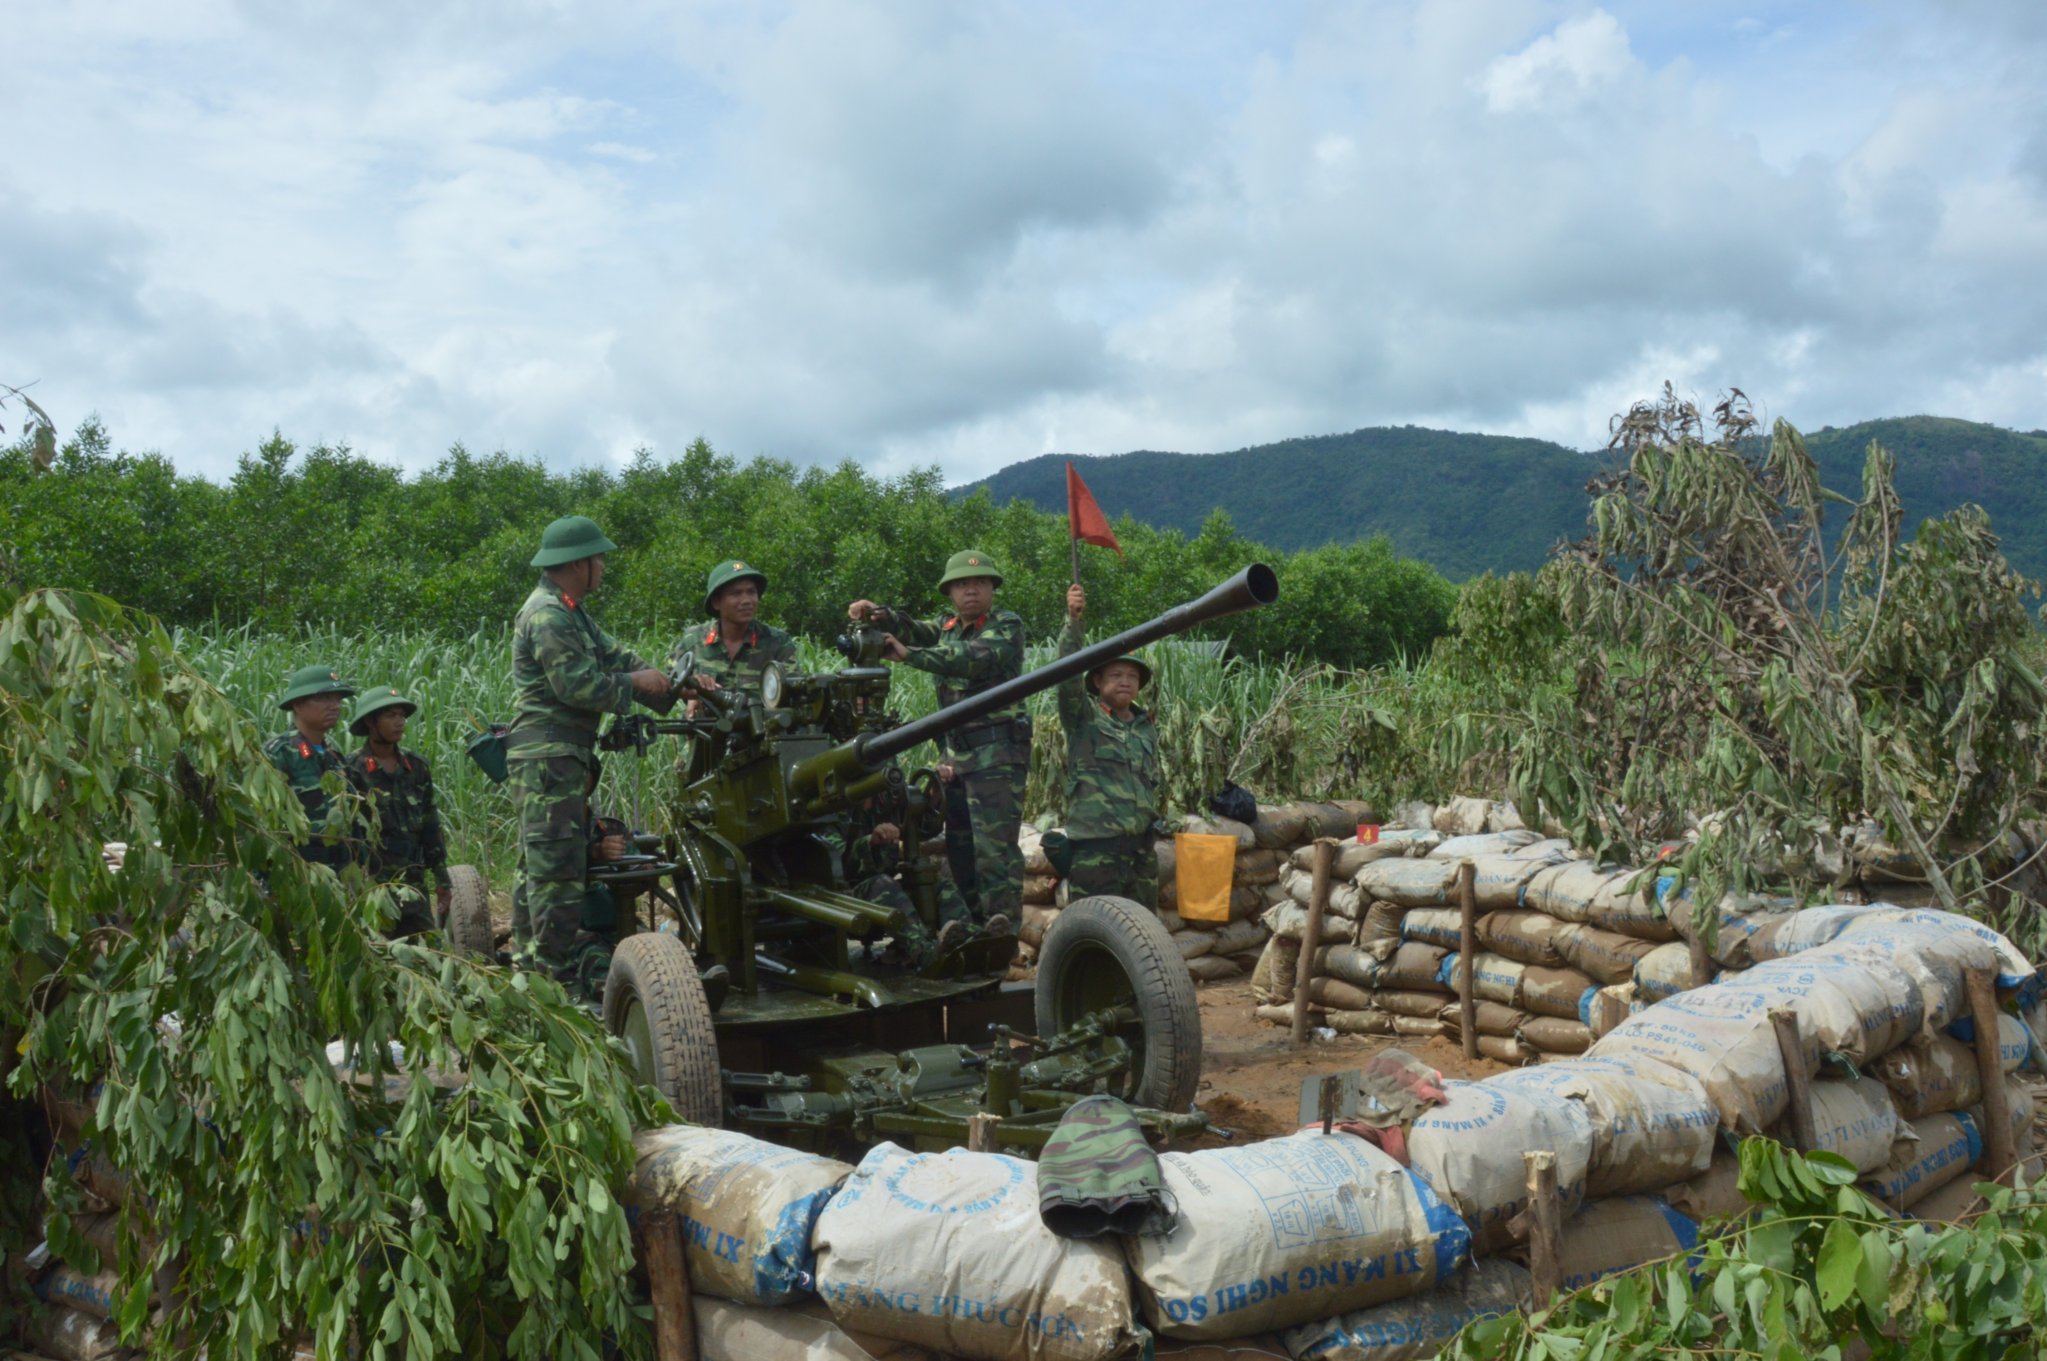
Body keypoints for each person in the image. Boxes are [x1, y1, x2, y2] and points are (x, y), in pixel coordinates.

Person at [507, 514, 697, 1000]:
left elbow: (619, 658)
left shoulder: (571, 612)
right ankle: (553, 987)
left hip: (560, 752)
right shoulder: (548, 614)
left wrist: (677, 685)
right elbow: (576, 687)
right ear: (577, 564)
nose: (604, 567)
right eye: (599, 559)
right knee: (557, 876)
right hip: (548, 753)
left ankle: (534, 976)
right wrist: (637, 686)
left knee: (548, 868)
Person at [847, 550, 1025, 939]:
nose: (972, 590)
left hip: (996, 758)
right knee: (961, 851)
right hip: (956, 761)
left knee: (995, 856)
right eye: (962, 584)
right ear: (950, 592)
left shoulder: (1005, 626)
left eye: (980, 583)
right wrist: (879, 614)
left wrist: (910, 655)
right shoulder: (947, 626)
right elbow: (913, 629)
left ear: (992, 588)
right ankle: (972, 933)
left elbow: (969, 658)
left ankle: (1004, 937)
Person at [1055, 583, 1162, 908]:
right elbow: (1066, 675)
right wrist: (1073, 623)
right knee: (1097, 928)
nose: (1125, 681)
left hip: (1140, 848)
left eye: (1132, 676)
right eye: (1116, 674)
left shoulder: (1146, 728)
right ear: (1098, 681)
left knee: (1143, 934)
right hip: (1096, 848)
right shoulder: (1084, 719)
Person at [344, 686, 447, 939]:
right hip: (373, 886)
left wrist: (442, 879)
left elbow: (430, 824)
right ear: (370, 721)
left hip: (414, 884)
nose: (399, 722)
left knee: (428, 957)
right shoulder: (352, 770)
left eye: (402, 715)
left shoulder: (416, 767)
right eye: (390, 716)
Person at [824, 791, 973, 965]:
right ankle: (924, 952)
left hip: (884, 892)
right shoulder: (831, 809)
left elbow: (926, 826)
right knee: (883, 884)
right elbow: (839, 859)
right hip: (844, 896)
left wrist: (933, 797)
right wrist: (870, 841)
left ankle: (970, 942)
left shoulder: (887, 804)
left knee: (939, 885)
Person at [264, 664, 357, 870]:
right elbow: (263, 823)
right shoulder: (279, 754)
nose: (335, 706)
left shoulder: (335, 758)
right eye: (324, 699)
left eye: (337, 699)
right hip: (295, 876)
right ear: (297, 704)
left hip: (335, 877)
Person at [670, 558, 799, 698]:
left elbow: (795, 693)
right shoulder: (693, 640)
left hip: (759, 720)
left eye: (751, 592)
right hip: (704, 719)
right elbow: (667, 687)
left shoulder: (778, 642)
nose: (746, 600)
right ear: (716, 602)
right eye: (735, 594)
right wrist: (692, 692)